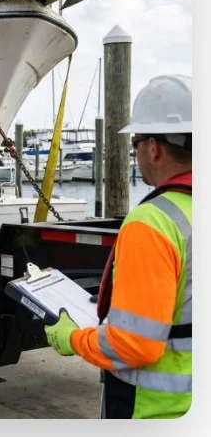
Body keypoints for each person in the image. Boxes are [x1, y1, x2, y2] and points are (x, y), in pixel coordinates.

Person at [44, 74, 192, 418]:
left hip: (153, 409)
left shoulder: (153, 222)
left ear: (153, 147)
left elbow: (133, 344)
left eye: (136, 142)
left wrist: (72, 339)